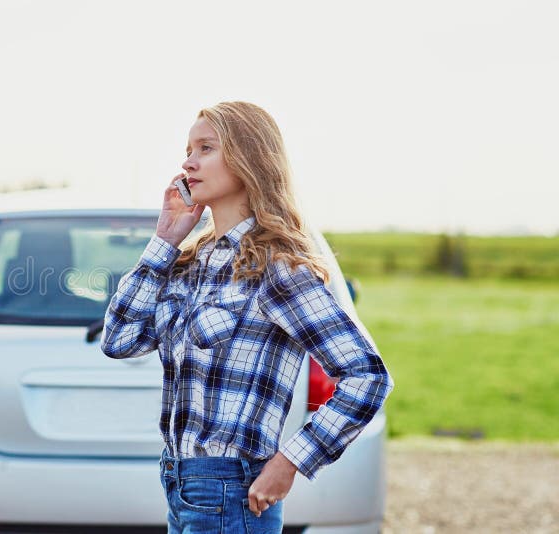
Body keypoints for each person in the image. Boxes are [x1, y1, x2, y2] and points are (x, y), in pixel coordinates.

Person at [101, 101, 394, 533]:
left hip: (231, 494)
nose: (188, 161)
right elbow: (119, 340)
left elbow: (367, 377)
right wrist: (165, 239)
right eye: (188, 149)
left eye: (206, 148)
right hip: (180, 488)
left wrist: (291, 460)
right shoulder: (189, 262)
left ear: (248, 158)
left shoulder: (277, 268)